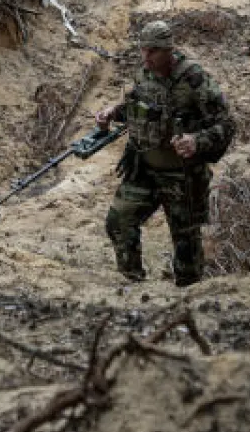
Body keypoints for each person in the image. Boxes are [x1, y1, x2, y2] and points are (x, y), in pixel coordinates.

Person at [94, 20, 235, 287]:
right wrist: (113, 112)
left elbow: (227, 125)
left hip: (182, 176)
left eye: (153, 51)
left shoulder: (194, 79)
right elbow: (138, 106)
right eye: (143, 50)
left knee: (185, 244)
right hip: (144, 169)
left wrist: (197, 141)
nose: (146, 57)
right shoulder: (144, 74)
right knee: (119, 221)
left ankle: (188, 295)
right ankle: (132, 284)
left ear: (168, 50)